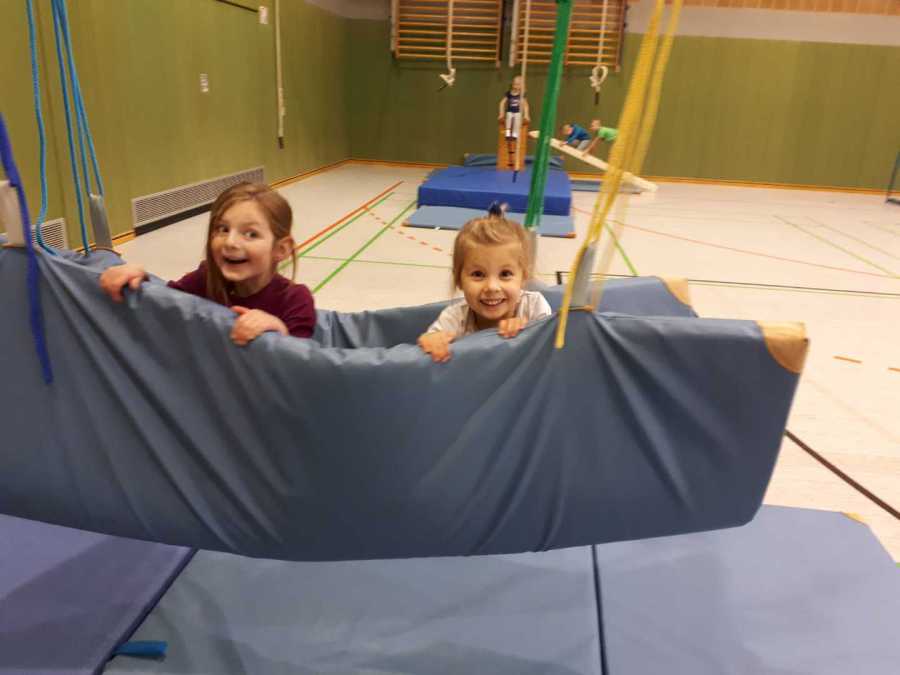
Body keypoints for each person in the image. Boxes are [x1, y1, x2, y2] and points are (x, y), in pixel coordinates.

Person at [100, 182, 315, 345]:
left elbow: (300, 368)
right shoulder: (205, 279)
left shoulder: (296, 300)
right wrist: (139, 277)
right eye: (223, 229)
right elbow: (165, 302)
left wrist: (278, 331)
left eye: (251, 234)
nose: (230, 242)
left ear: (281, 249)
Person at [417, 205, 551, 363]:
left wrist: (527, 332)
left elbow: (547, 353)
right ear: (459, 279)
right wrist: (431, 340)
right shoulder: (454, 318)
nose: (492, 287)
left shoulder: (534, 307)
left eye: (505, 274)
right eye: (478, 274)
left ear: (523, 277)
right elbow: (430, 341)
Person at [498, 75, 530, 141]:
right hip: (510, 111)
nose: (516, 86)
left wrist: (526, 115)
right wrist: (501, 114)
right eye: (515, 84)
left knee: (517, 122)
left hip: (517, 112)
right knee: (508, 120)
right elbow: (502, 103)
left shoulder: (521, 95)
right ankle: (507, 133)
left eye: (518, 84)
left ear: (521, 86)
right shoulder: (509, 94)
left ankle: (515, 135)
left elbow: (525, 105)